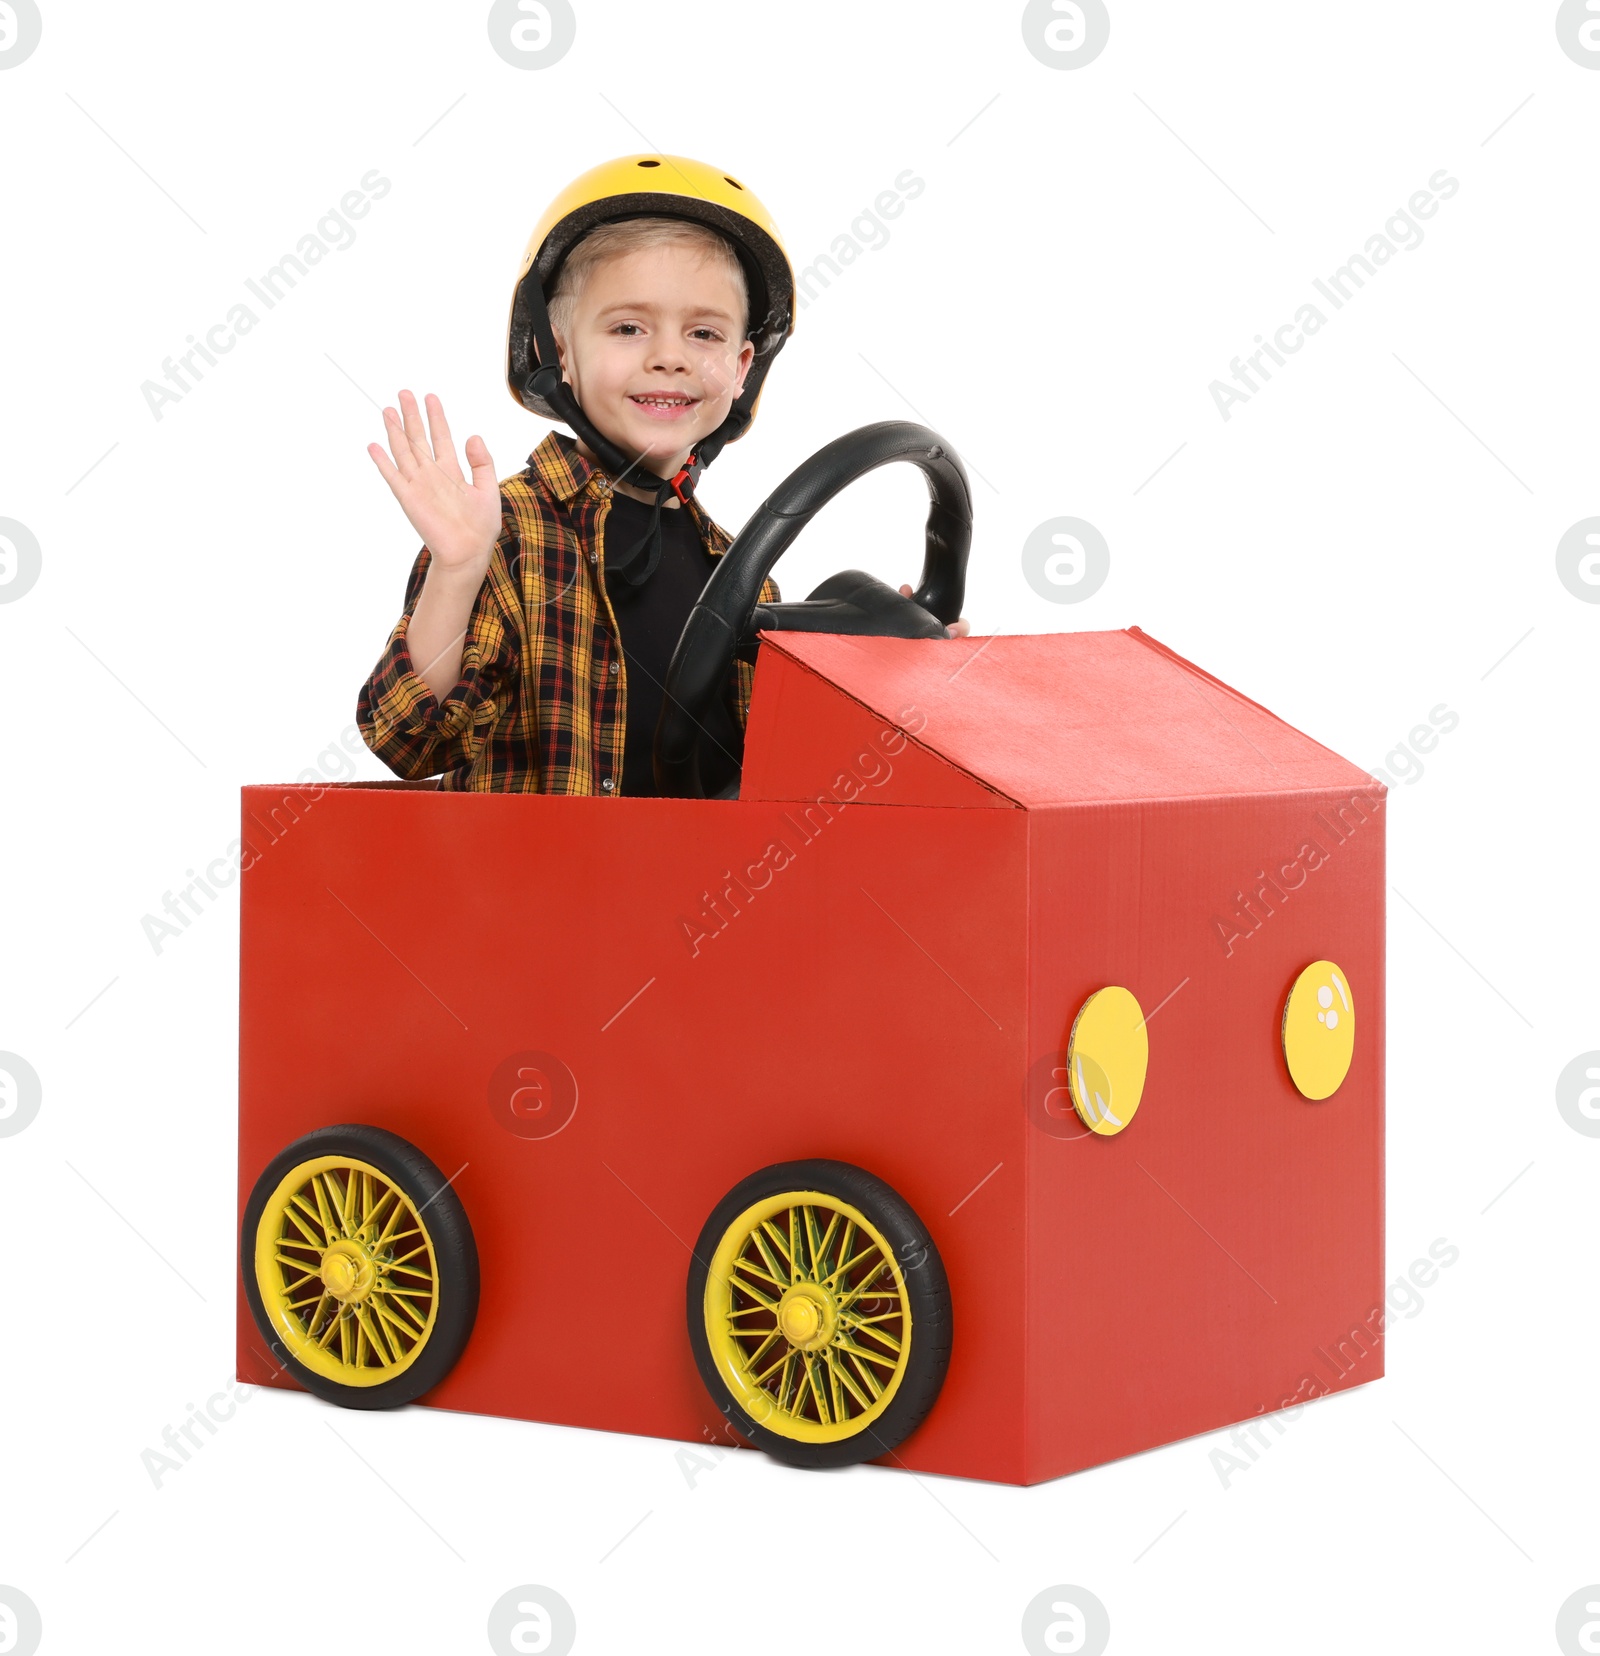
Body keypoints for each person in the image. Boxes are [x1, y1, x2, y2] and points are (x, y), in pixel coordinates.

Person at [357, 153, 968, 796]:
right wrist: (457, 572)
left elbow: (772, 780)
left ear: (740, 369)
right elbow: (410, 741)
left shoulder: (743, 577)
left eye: (703, 334)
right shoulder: (504, 537)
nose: (670, 358)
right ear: (559, 351)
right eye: (628, 327)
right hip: (540, 892)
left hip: (707, 893)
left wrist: (892, 669)